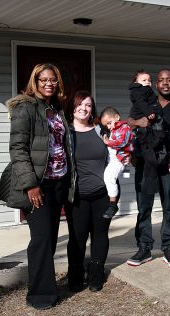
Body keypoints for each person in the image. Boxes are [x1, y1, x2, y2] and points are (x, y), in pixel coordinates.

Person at [5, 63, 75, 310]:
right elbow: (18, 149)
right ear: (35, 81)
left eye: (53, 79)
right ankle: (40, 295)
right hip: (39, 184)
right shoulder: (25, 108)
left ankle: (47, 287)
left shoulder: (55, 108)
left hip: (59, 182)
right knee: (42, 239)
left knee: (50, 238)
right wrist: (31, 185)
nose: (48, 83)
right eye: (43, 79)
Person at [127, 68, 170, 268]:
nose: (165, 83)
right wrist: (139, 122)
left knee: (169, 207)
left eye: (169, 80)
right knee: (143, 206)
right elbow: (128, 123)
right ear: (155, 84)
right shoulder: (145, 101)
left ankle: (169, 246)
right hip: (145, 162)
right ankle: (144, 247)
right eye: (161, 80)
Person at [66, 90, 112, 292]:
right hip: (77, 196)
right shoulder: (65, 133)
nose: (84, 108)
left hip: (102, 193)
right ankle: (75, 274)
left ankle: (96, 274)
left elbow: (116, 154)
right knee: (77, 237)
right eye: (80, 104)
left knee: (100, 234)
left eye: (88, 105)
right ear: (72, 107)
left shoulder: (101, 131)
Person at [99, 106, 134, 218]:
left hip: (119, 159)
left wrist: (108, 142)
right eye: (106, 125)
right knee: (110, 177)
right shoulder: (114, 130)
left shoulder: (125, 128)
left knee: (108, 176)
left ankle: (113, 204)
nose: (108, 127)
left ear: (117, 117)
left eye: (109, 123)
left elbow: (122, 142)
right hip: (114, 158)